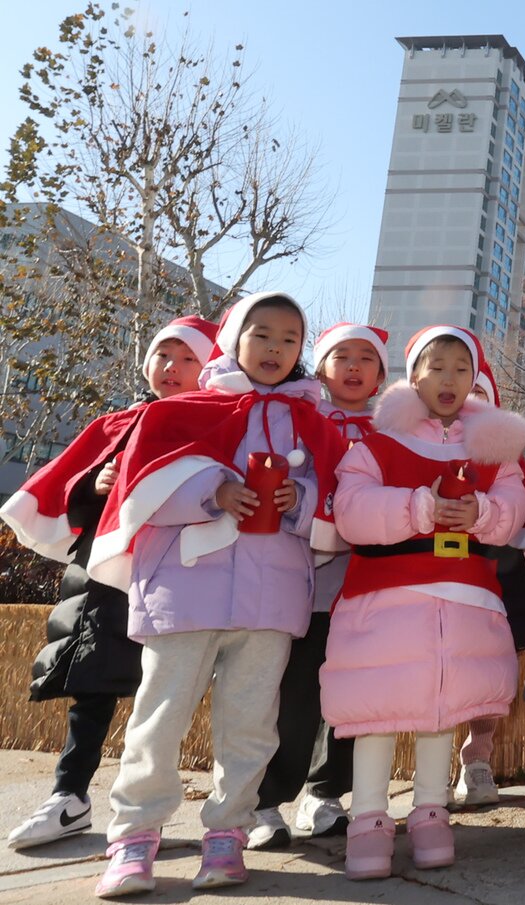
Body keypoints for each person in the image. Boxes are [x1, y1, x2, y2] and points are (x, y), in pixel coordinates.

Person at [85, 292, 347, 897]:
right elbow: (140, 484)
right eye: (263, 334)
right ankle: (132, 842)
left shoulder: (313, 421)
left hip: (271, 599)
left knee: (251, 724)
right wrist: (213, 491)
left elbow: (335, 498)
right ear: (234, 338)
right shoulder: (179, 411)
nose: (276, 349)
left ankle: (227, 835)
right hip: (184, 591)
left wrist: (299, 503)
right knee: (159, 719)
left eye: (289, 338)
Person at [320, 325, 525, 879]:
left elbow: (515, 508)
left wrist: (481, 513)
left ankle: (432, 812)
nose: (449, 379)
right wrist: (420, 507)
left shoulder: (494, 453)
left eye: (462, 369)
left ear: (475, 381)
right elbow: (352, 510)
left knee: (445, 711)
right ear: (413, 376)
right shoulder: (376, 443)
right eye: (436, 367)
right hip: (386, 598)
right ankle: (369, 818)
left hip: (464, 602)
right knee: (377, 714)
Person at [1, 316, 216, 851]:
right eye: (164, 355)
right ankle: (69, 795)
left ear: (210, 366)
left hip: (182, 574)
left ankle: (154, 808)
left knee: (169, 692)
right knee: (93, 683)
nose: (173, 368)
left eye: (188, 358)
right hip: (108, 573)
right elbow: (71, 486)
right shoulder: (117, 423)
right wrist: (94, 486)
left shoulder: (218, 423)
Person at [249, 322, 389, 849]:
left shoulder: (394, 429)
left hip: (368, 583)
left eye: (366, 358)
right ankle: (265, 800)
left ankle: (326, 791)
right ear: (322, 366)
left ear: (380, 373)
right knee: (295, 694)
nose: (353, 367)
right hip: (300, 583)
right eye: (341, 356)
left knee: (351, 695)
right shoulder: (295, 418)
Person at [451, 361, 525, 809]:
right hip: (438, 578)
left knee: (490, 670)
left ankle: (477, 759)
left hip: (500, 578)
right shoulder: (415, 446)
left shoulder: (513, 462)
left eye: (480, 398)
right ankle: (430, 768)